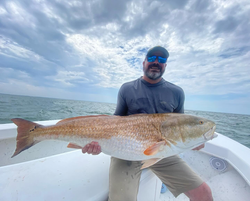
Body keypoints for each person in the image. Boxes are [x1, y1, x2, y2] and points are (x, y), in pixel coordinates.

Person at [82, 46, 213, 201]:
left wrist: (193, 141)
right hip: (126, 153)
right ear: (144, 63)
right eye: (151, 58)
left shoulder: (177, 92)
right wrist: (97, 143)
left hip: (165, 152)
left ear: (165, 65)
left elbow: (180, 126)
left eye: (162, 60)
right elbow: (114, 122)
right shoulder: (127, 88)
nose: (156, 62)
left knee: (204, 193)